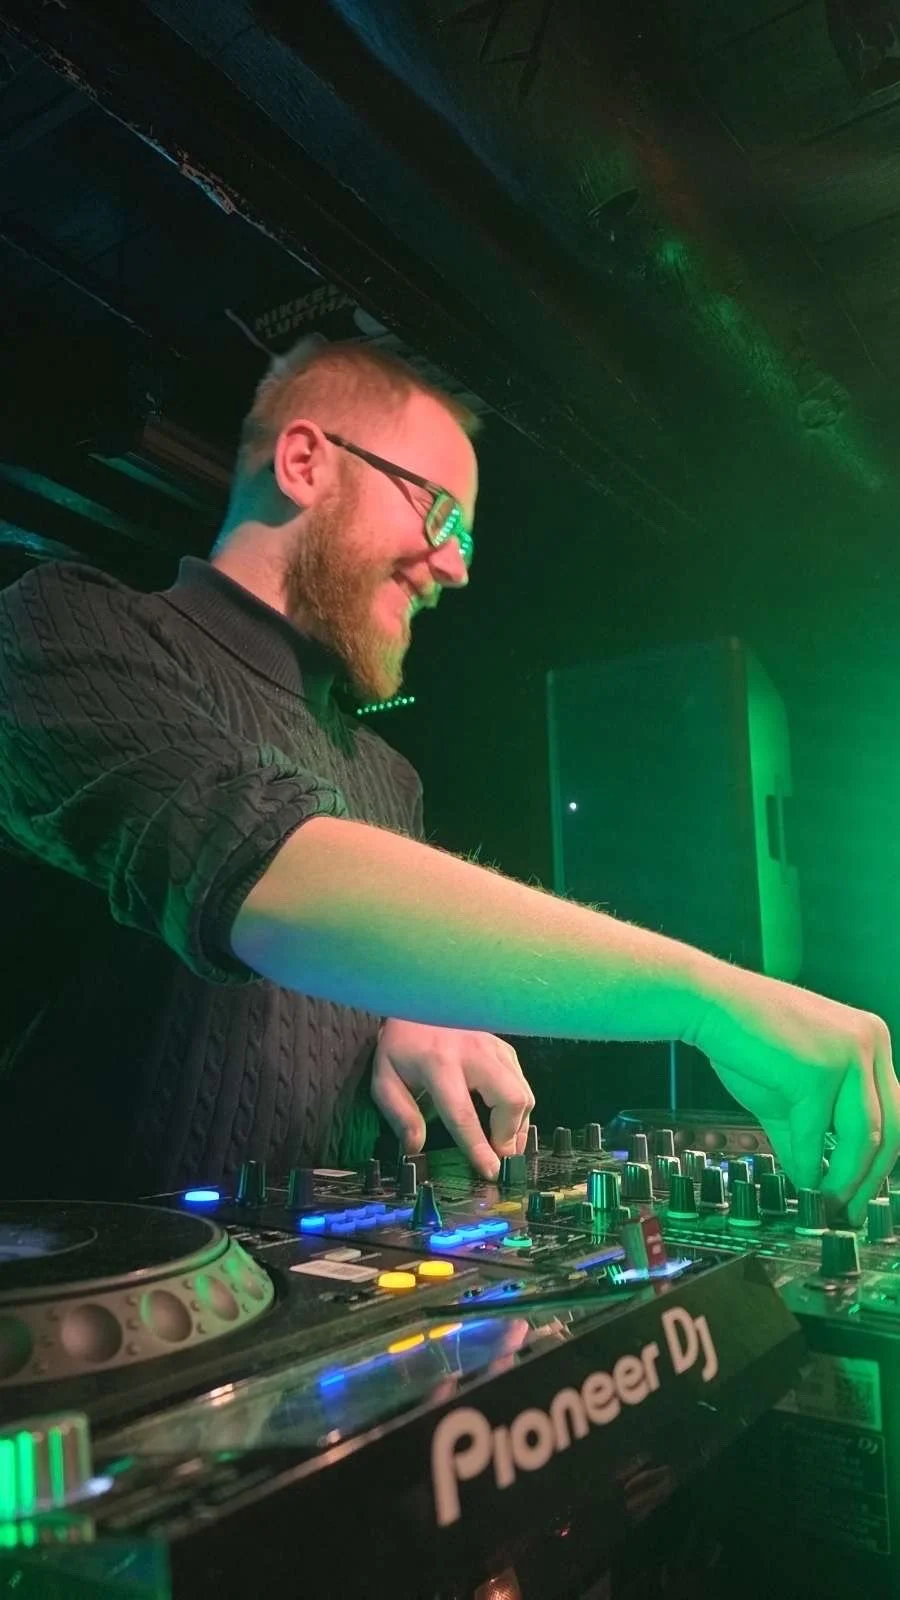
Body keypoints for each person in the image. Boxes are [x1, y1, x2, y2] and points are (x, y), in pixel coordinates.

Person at [0, 338, 896, 1218]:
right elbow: (261, 861)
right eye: (441, 515)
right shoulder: (60, 623)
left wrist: (409, 1012)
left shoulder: (387, 779)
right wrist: (711, 1000)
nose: (456, 565)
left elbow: (347, 946)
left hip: (319, 1332)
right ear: (307, 461)